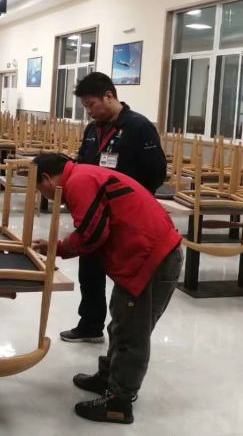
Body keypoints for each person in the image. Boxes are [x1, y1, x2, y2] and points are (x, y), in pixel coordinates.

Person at [31, 153, 182, 424]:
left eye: (39, 189)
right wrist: (60, 247)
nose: (43, 195)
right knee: (121, 320)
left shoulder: (78, 182)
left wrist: (60, 248)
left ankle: (119, 401)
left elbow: (93, 233)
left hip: (152, 258)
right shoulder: (83, 175)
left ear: (46, 178)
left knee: (132, 331)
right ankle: (109, 377)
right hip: (144, 254)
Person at [62, 71, 167, 344]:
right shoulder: (92, 131)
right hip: (96, 213)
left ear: (109, 96)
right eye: (85, 106)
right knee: (89, 271)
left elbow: (156, 172)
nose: (88, 112)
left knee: (125, 275)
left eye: (91, 105)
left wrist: (132, 201)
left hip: (126, 216)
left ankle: (123, 333)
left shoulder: (138, 127)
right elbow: (83, 165)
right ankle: (90, 324)